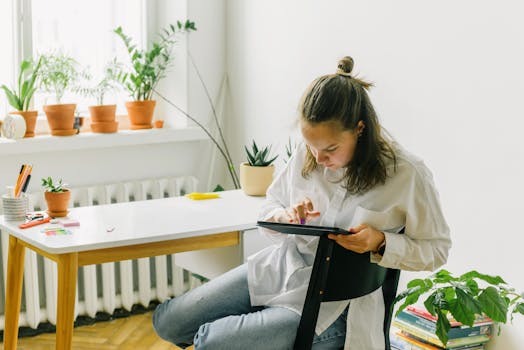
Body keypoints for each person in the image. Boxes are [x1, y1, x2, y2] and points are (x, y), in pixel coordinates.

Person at [152, 56, 451, 350]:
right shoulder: (308, 155)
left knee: (211, 341)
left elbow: (437, 249)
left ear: (360, 129)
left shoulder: (406, 174)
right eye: (311, 146)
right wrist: (286, 217)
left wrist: (381, 242)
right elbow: (271, 206)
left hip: (334, 306)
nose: (319, 159)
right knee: (168, 322)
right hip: (283, 271)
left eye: (330, 149)